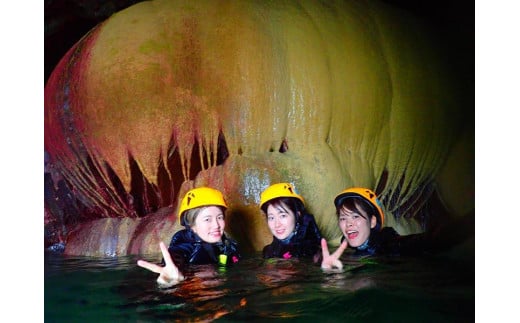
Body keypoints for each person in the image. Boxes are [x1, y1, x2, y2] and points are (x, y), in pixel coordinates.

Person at [321, 187, 474, 270]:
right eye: (343, 218)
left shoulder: (389, 245)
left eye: (355, 217)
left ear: (372, 222)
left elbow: (428, 242)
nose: (348, 224)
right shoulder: (343, 252)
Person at [137, 186, 240, 287]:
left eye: (220, 217)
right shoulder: (186, 245)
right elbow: (176, 255)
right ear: (192, 226)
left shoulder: (227, 245)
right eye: (207, 219)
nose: (216, 225)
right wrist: (170, 280)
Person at [259, 182, 322, 260]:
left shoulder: (313, 251)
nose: (277, 224)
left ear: (297, 215)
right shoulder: (269, 251)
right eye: (271, 218)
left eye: (283, 215)